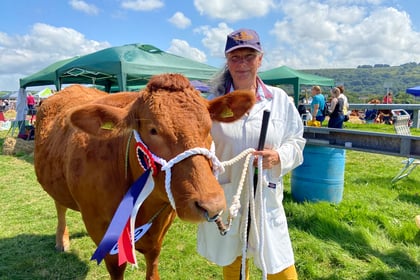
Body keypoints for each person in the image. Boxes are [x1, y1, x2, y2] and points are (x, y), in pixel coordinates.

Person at [197, 28, 305, 280]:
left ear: (260, 58)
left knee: (279, 264)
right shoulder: (212, 103)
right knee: (233, 260)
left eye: (249, 56)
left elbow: (297, 141)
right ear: (227, 61)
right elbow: (200, 143)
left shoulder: (279, 100)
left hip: (264, 194)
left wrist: (278, 156)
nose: (242, 64)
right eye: (235, 57)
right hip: (229, 193)